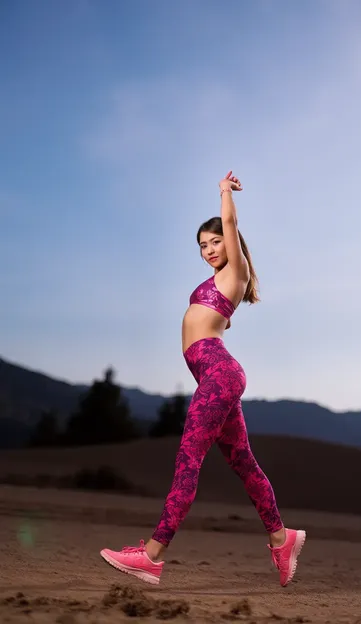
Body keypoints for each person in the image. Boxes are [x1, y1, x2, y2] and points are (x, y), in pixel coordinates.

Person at [100, 171, 306, 587]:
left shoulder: (238, 271)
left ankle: (153, 556)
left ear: (230, 244)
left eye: (215, 242)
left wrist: (224, 194)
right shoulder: (215, 283)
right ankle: (282, 539)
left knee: (188, 460)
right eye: (202, 246)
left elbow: (229, 225)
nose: (210, 250)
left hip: (217, 373)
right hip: (216, 374)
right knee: (244, 463)